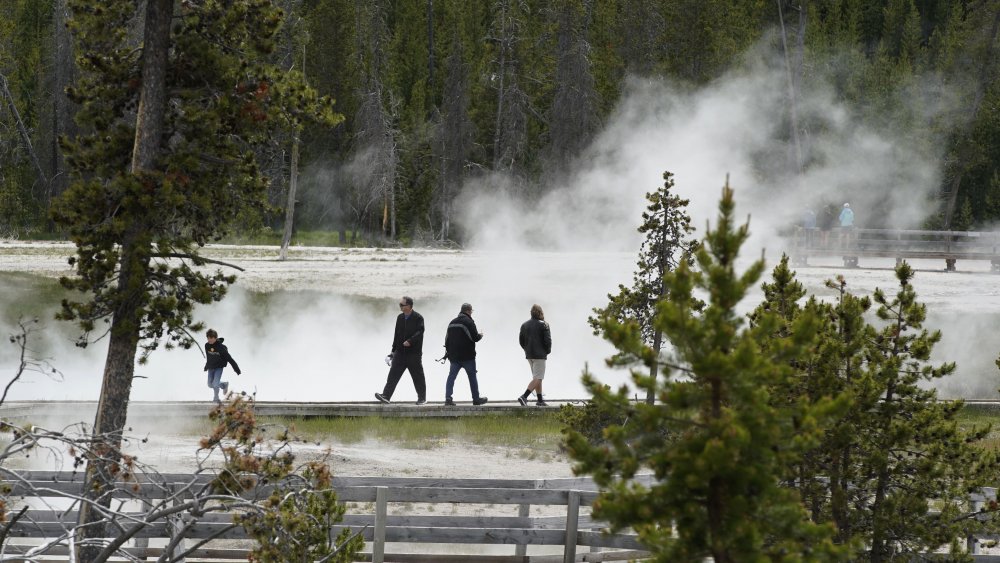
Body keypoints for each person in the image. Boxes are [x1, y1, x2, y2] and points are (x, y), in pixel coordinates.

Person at [375, 296, 427, 405]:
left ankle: (422, 399)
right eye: (400, 305)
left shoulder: (418, 318)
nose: (400, 307)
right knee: (393, 375)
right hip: (400, 353)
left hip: (414, 354)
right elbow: (396, 335)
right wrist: (392, 352)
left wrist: (410, 341)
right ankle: (386, 396)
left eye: (402, 305)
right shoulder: (399, 317)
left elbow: (420, 333)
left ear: (409, 306)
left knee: (417, 377)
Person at [443, 303, 487, 406]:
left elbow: (446, 340)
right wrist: (480, 335)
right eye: (471, 311)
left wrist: (449, 354)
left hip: (454, 357)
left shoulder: (452, 322)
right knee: (472, 377)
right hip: (468, 357)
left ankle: (448, 398)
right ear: (468, 311)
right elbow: (474, 338)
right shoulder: (469, 322)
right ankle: (476, 399)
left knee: (451, 377)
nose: (471, 313)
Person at [517, 304, 552, 407]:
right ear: (540, 312)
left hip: (529, 355)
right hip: (540, 355)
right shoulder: (544, 324)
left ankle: (540, 400)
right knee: (538, 378)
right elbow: (548, 340)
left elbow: (521, 341)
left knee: (537, 377)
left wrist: (526, 349)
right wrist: (547, 351)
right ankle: (524, 397)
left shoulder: (524, 325)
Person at [204, 328, 240, 404]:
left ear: (215, 338)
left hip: (218, 368)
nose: (209, 340)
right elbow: (208, 357)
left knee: (215, 384)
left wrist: (236, 369)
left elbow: (230, 359)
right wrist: (206, 366)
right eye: (208, 338)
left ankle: (216, 398)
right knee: (210, 384)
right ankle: (224, 384)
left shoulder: (221, 348)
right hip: (211, 367)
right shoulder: (207, 345)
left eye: (211, 338)